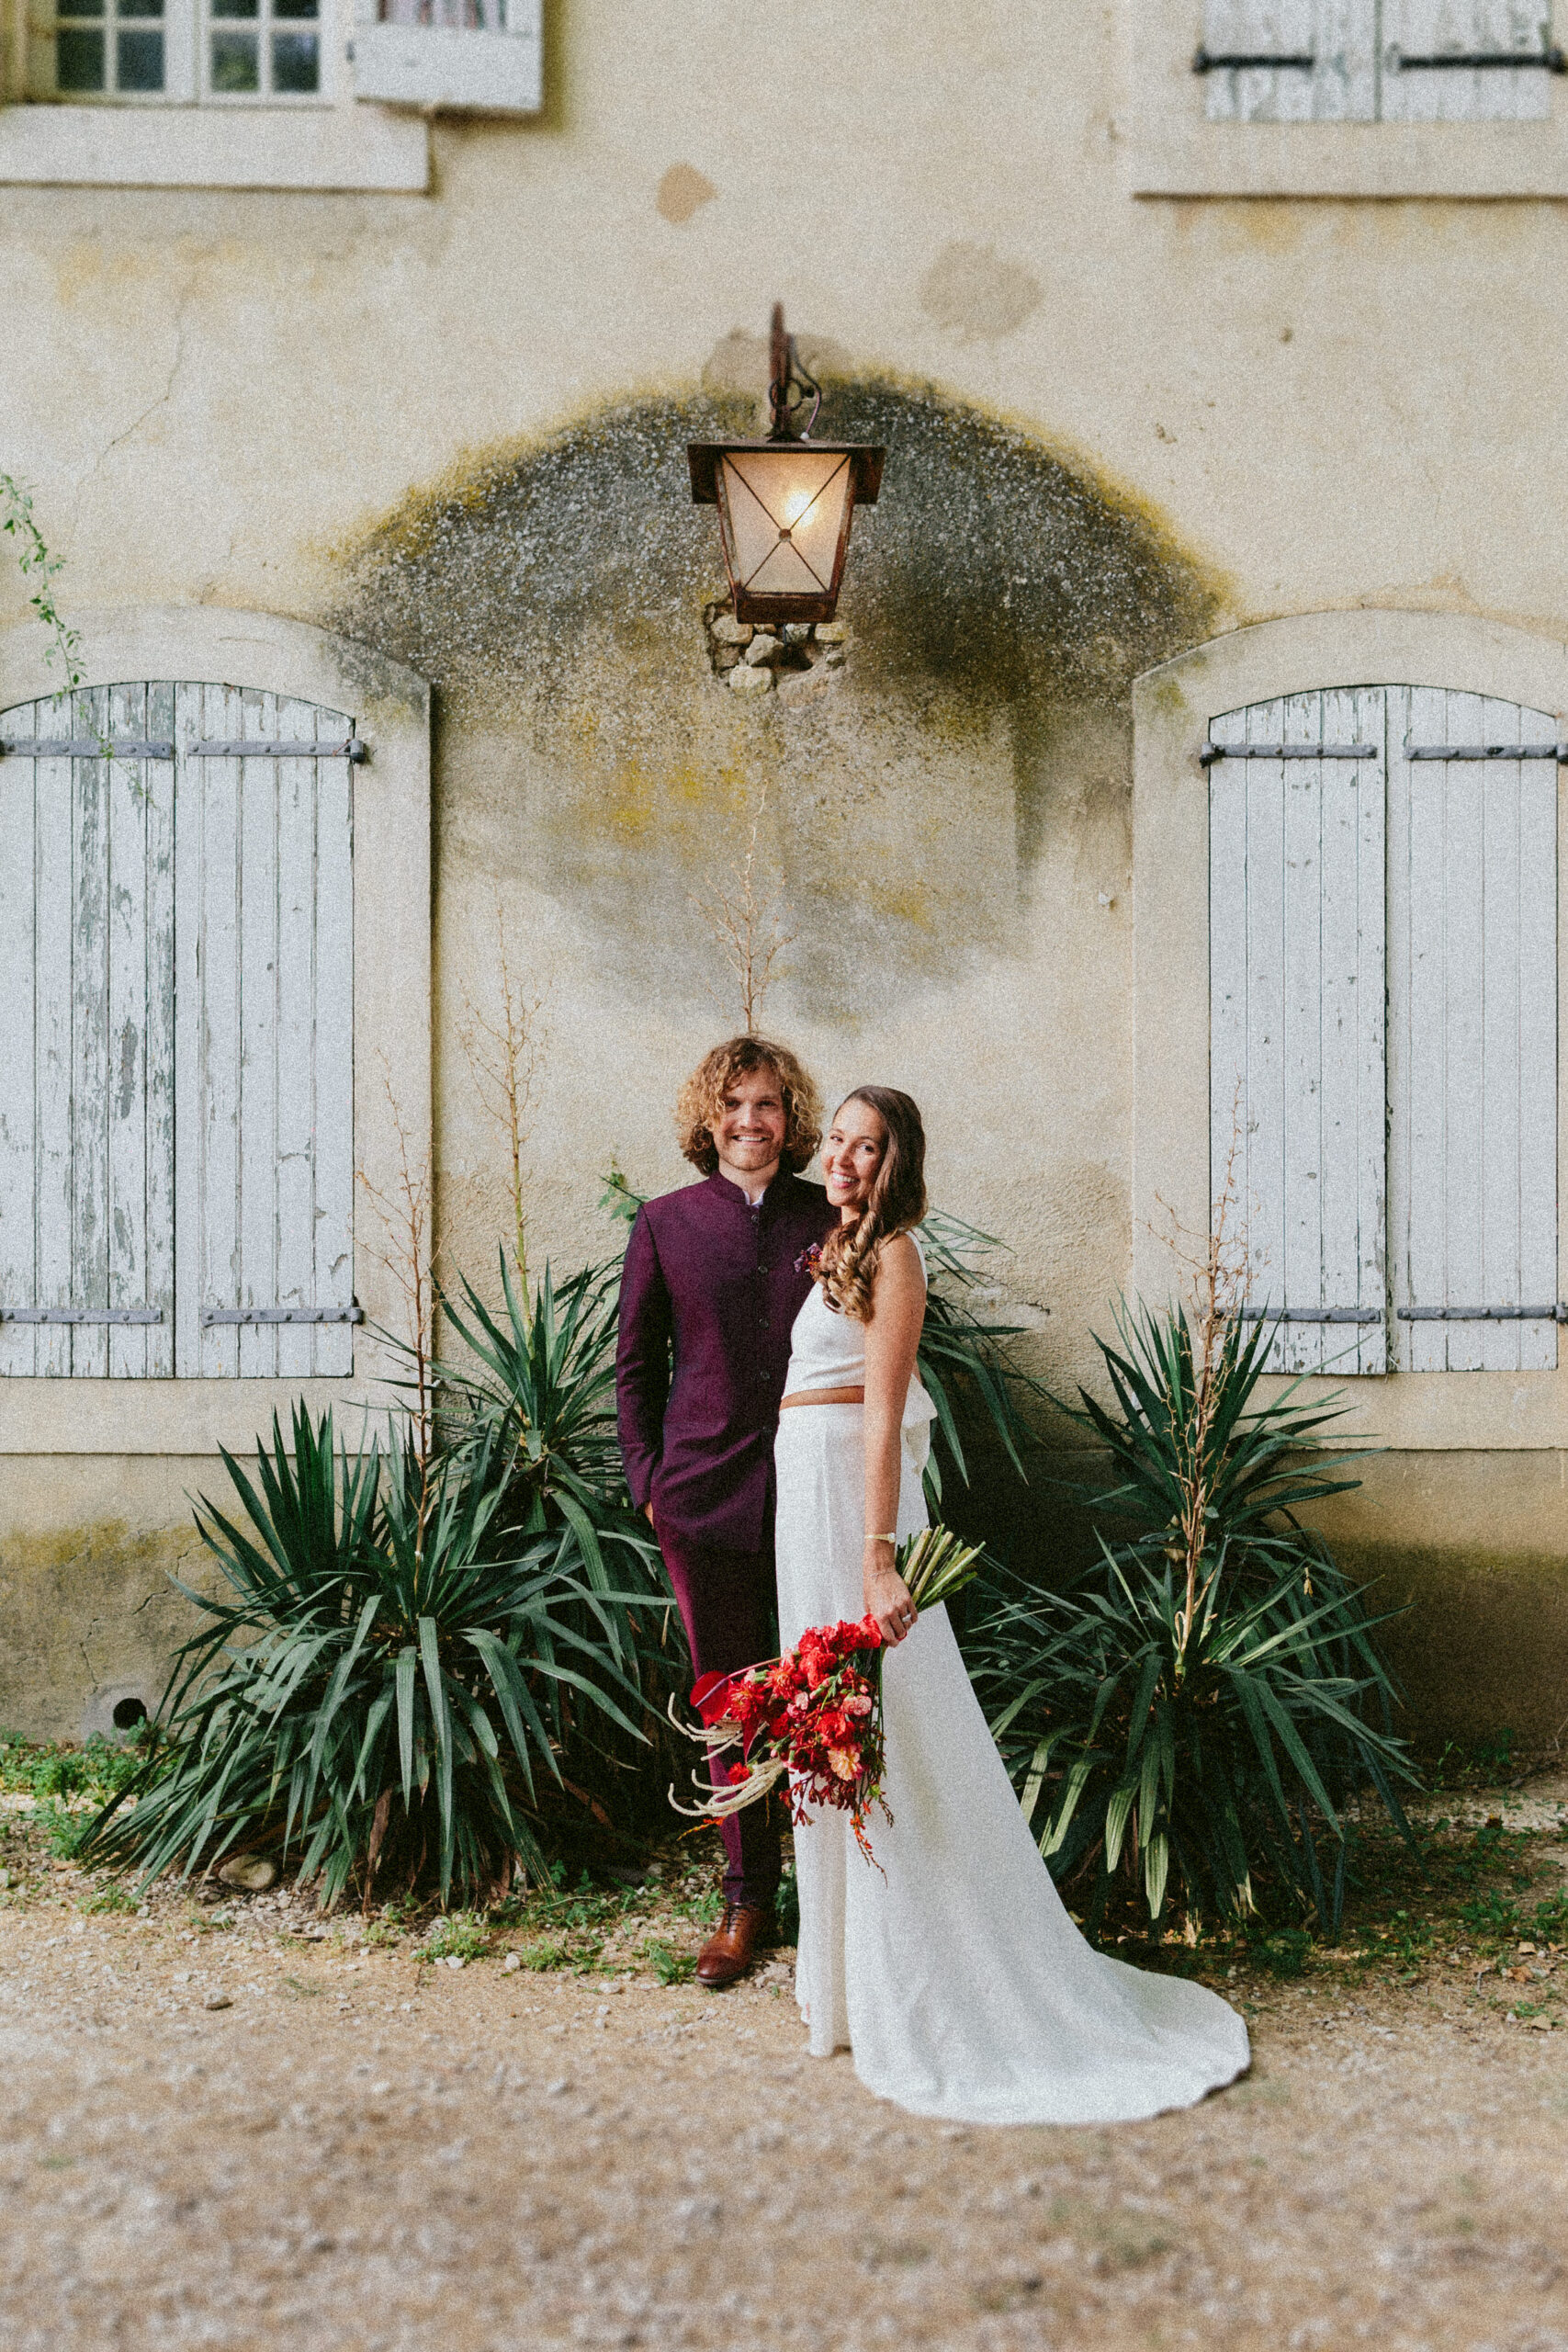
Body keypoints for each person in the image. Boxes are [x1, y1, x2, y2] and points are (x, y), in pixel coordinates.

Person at [773, 1085, 1251, 2124]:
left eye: (868, 1145)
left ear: (896, 1160)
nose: (845, 1158)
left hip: (848, 1512)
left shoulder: (895, 1254)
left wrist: (878, 1554)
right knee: (829, 1730)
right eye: (841, 1141)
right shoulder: (837, 1244)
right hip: (800, 1500)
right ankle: (848, 1983)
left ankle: (929, 1980)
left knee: (887, 1729)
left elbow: (886, 1409)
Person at [616, 1035, 837, 1986]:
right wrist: (650, 1485)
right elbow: (634, 1364)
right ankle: (748, 1900)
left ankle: (838, 1891)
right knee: (728, 1699)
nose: (752, 1120)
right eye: (735, 1105)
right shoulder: (665, 1224)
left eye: (769, 1104)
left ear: (790, 1121)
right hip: (700, 1498)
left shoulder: (825, 1217)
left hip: (807, 1484)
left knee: (825, 1689)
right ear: (709, 1120)